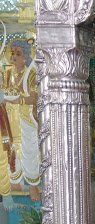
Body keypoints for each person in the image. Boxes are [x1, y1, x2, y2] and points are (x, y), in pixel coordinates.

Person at [0, 39, 40, 207]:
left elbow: (34, 97)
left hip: (25, 118)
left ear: (25, 57)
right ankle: (15, 179)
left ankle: (33, 185)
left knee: (29, 150)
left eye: (18, 53)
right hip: (9, 118)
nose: (14, 56)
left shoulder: (31, 73)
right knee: (10, 149)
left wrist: (15, 99)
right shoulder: (7, 73)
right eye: (12, 53)